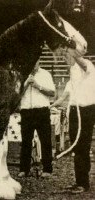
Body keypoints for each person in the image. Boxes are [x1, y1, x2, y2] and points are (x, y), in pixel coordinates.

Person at [58, 53, 95, 194]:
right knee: (75, 145)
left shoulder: (87, 64)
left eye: (66, 56)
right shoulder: (72, 70)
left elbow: (84, 65)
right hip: (75, 110)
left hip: (86, 110)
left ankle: (83, 183)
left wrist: (72, 51)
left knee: (82, 146)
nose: (64, 59)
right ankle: (79, 180)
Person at [18, 61, 55, 178]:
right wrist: (26, 84)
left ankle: (47, 170)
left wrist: (38, 86)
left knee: (45, 140)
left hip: (42, 110)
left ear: (39, 61)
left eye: (35, 62)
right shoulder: (21, 75)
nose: (33, 64)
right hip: (26, 111)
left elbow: (52, 93)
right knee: (25, 141)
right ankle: (24, 169)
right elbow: (17, 94)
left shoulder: (45, 74)